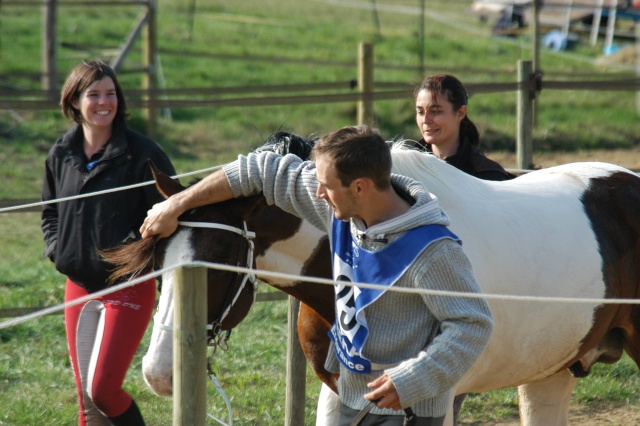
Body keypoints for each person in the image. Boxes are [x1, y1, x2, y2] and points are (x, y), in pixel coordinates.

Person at [140, 125, 493, 425]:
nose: (318, 193)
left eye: (325, 185)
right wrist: (178, 203)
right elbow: (259, 171)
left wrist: (411, 380)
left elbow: (472, 324)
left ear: (359, 187)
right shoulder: (339, 209)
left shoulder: (433, 250)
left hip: (408, 411)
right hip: (352, 401)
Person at [41, 60, 176, 426]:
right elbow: (49, 213)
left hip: (127, 285)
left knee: (103, 389)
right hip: (78, 285)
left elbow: (173, 212)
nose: (105, 102)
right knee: (86, 401)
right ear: (74, 101)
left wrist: (140, 254)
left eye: (111, 93)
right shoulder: (60, 154)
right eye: (94, 94)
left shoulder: (142, 155)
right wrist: (59, 250)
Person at [414, 74, 514, 181]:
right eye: (420, 112)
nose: (425, 120)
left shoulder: (488, 177)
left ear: (461, 113)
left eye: (435, 111)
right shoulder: (407, 169)